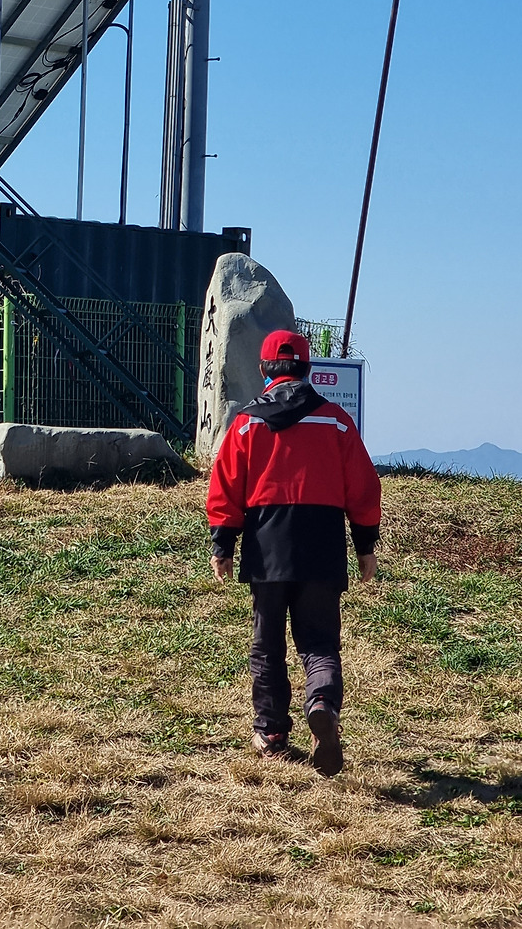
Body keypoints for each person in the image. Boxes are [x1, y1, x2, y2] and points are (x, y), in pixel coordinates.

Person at [206, 329, 382, 776]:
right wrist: (365, 546)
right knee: (320, 641)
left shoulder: (246, 423)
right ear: (307, 368)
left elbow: (226, 485)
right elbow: (363, 488)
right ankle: (322, 701)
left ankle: (271, 731)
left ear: (264, 370)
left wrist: (223, 543)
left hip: (266, 548)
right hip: (322, 544)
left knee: (267, 645)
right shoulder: (337, 422)